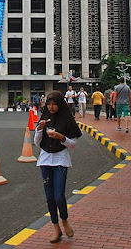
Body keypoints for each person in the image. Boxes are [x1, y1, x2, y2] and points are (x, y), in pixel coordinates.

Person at [34, 90, 82, 243]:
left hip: (61, 160)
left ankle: (65, 220)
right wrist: (40, 129)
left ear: (60, 104)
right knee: (49, 198)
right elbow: (37, 143)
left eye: (54, 104)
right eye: (49, 104)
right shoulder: (45, 118)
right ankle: (56, 228)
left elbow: (73, 144)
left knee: (59, 196)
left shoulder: (67, 120)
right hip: (45, 160)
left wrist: (61, 138)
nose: (51, 107)